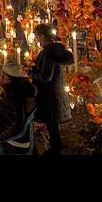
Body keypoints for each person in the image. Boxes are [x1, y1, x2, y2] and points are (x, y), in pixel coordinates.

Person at [28, 23, 74, 155]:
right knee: (53, 125)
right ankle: (54, 148)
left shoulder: (48, 54)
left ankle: (55, 150)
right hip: (55, 93)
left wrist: (31, 72)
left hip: (48, 95)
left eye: (37, 38)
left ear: (42, 36)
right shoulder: (57, 50)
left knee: (52, 125)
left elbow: (45, 77)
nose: (38, 41)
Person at [0, 59, 37, 153]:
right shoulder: (22, 88)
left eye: (2, 75)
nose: (0, 78)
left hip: (13, 140)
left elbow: (17, 123)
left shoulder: (14, 94)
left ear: (7, 78)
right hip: (10, 130)